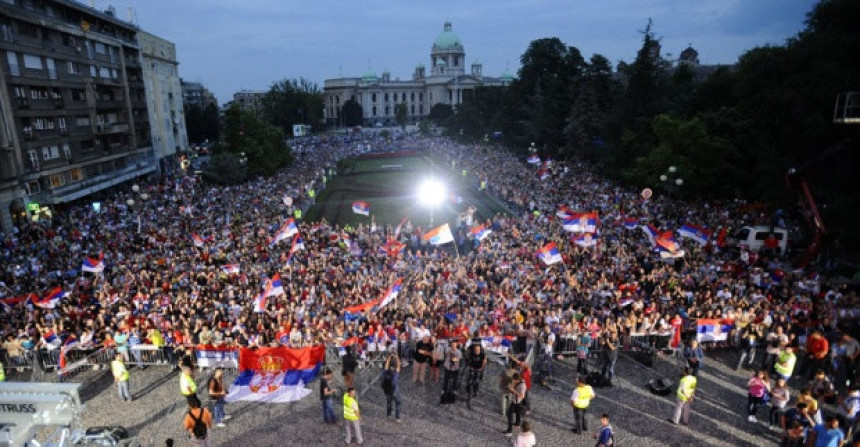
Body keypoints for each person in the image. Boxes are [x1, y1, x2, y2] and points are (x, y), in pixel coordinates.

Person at [503, 372, 527, 437]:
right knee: (517, 412)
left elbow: (522, 396)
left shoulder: (522, 386)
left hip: (517, 401)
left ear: (518, 380)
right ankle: (517, 424)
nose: (513, 381)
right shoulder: (518, 382)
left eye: (514, 380)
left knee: (509, 414)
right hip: (516, 401)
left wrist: (514, 391)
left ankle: (509, 431)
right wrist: (511, 387)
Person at [383, 352, 402, 422]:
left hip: (388, 389)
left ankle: (389, 414)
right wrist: (397, 357)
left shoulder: (386, 372)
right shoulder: (395, 373)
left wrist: (388, 358)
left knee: (389, 402)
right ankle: (397, 417)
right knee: (398, 402)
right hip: (395, 390)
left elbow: (386, 366)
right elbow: (398, 367)